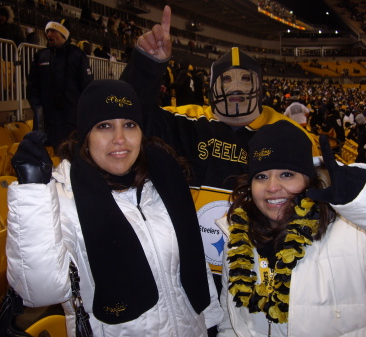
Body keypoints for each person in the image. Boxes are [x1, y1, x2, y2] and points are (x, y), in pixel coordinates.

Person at [119, 7, 320, 300]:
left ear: (259, 84)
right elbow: (130, 115)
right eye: (226, 80)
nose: (235, 88)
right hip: (187, 273)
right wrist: (148, 65)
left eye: (244, 79)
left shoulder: (290, 135)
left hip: (259, 272)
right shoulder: (187, 121)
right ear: (212, 85)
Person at [6, 80, 222, 337]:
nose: (119, 139)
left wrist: (210, 322)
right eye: (104, 126)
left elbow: (195, 263)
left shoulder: (166, 181)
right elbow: (39, 290)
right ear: (85, 135)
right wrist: (33, 195)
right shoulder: (63, 200)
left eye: (129, 125)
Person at [216, 120, 366, 336]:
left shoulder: (354, 231)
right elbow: (230, 319)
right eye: (261, 176)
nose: (272, 187)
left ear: (310, 181)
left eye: (287, 174)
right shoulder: (236, 238)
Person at [26, 20, 93, 151]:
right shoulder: (41, 56)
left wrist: (81, 112)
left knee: (69, 154)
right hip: (46, 119)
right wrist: (37, 107)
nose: (49, 34)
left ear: (63, 34)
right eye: (47, 31)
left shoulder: (77, 55)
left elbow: (87, 87)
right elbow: (32, 86)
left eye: (53, 31)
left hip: (70, 120)